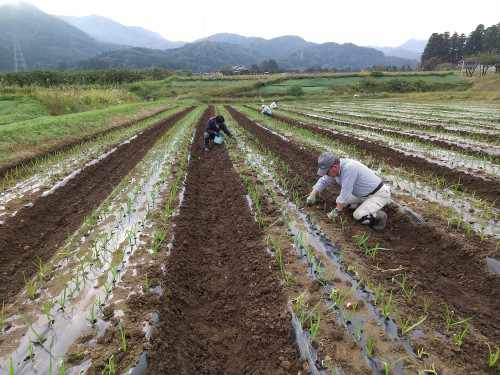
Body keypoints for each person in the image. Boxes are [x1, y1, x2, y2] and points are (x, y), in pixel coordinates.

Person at [306, 152, 390, 230]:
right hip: (362, 195)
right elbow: (323, 181)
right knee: (339, 201)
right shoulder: (335, 170)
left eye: (327, 172)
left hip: (378, 195)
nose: (326, 174)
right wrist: (313, 194)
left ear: (335, 167)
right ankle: (365, 207)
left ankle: (381, 216)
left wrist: (337, 210)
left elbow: (346, 190)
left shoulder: (349, 168)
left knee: (358, 216)